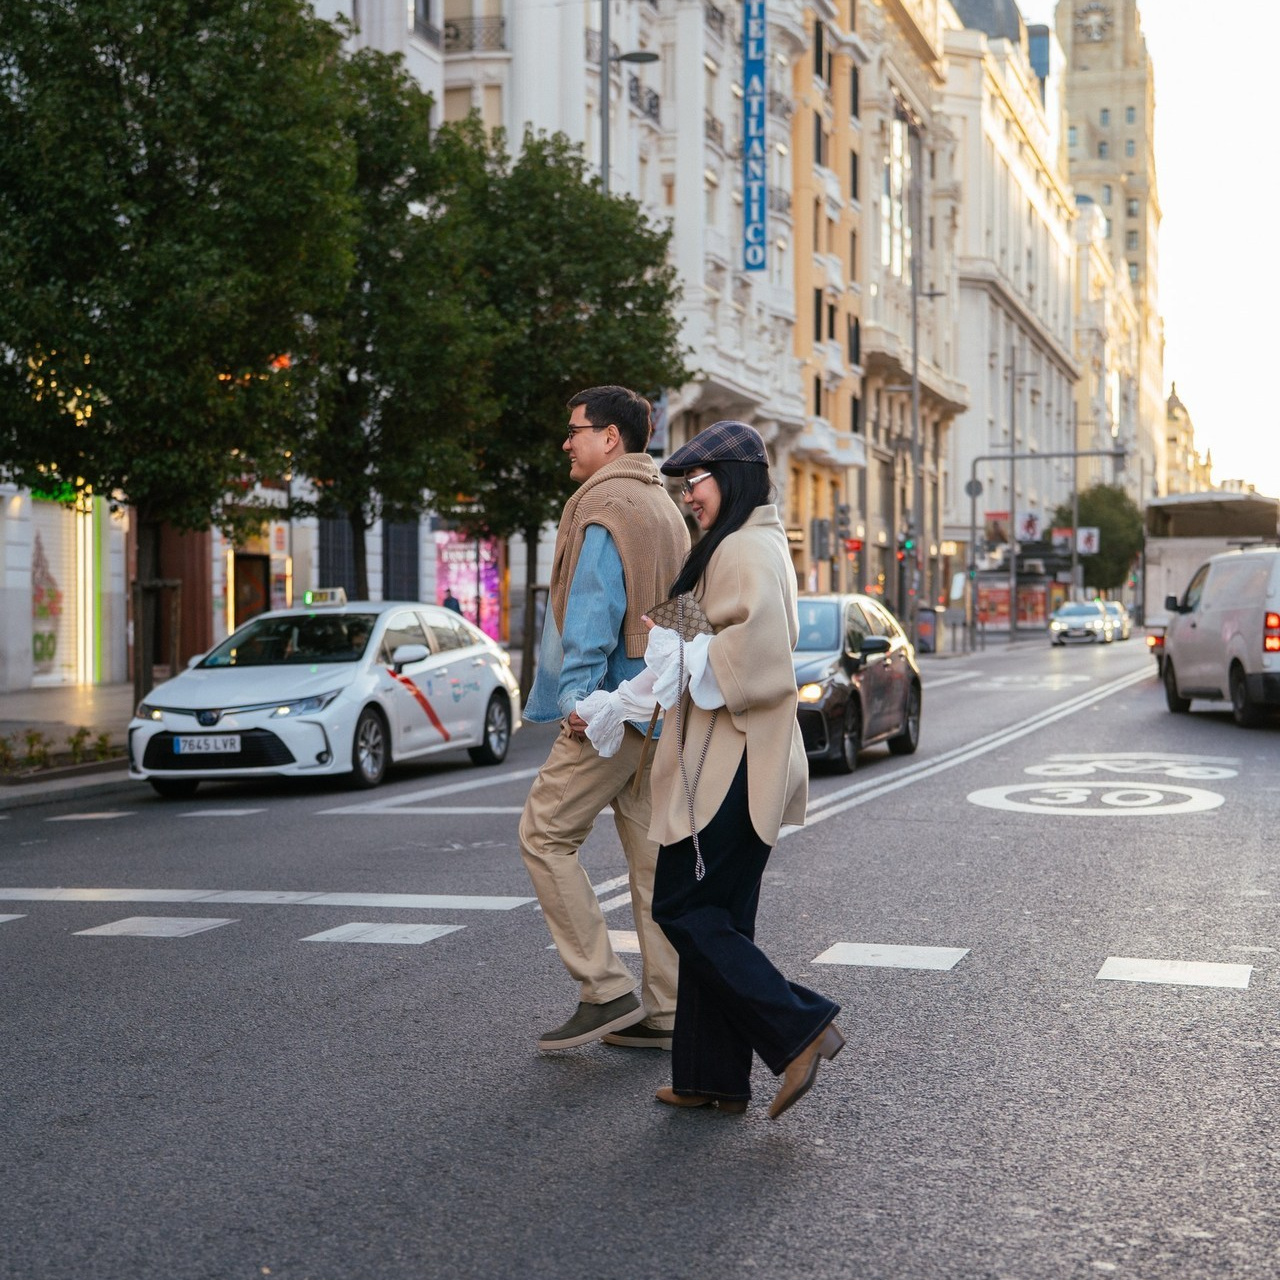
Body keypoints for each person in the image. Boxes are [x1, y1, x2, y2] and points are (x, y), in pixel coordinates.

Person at [579, 420, 843, 1118]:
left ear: (733, 477)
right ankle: (710, 1078)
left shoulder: (746, 549)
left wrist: (673, 652)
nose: (688, 495)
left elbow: (757, 660)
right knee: (717, 919)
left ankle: (798, 1028)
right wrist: (615, 705)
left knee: (681, 908)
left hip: (731, 768)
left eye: (695, 482)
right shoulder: (733, 544)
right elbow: (685, 642)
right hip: (729, 763)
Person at [518, 385, 691, 1052]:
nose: (567, 443)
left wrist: (579, 704)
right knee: (651, 863)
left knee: (544, 834)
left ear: (610, 437)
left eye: (576, 431)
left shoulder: (605, 508)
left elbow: (592, 615)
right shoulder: (665, 508)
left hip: (609, 712)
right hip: (658, 708)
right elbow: (684, 608)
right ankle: (668, 1008)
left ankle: (604, 987)